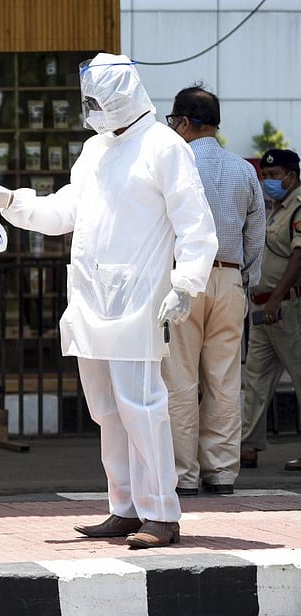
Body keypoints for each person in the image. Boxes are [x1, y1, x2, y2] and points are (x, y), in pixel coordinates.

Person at [0, 53, 218, 549]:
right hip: (90, 297)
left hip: (140, 300)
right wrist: (11, 201)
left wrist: (186, 285)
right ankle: (124, 507)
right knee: (106, 409)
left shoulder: (165, 147)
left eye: (95, 100)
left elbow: (196, 226)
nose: (89, 110)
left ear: (121, 95)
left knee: (141, 407)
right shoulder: (95, 150)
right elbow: (64, 210)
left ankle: (161, 514)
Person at [160, 86, 266, 496]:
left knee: (180, 379)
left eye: (174, 122)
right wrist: (244, 280)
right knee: (225, 380)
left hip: (183, 279)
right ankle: (221, 473)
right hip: (230, 277)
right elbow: (254, 234)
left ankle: (182, 475)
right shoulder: (244, 170)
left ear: (184, 122)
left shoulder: (174, 164)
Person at [240, 148, 301, 471]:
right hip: (263, 309)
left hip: (287, 305)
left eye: (275, 176)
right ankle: (248, 447)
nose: (269, 182)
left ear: (292, 175)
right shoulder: (276, 208)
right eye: (266, 176)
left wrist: (277, 297)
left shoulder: (298, 206)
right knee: (255, 379)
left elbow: (298, 256)